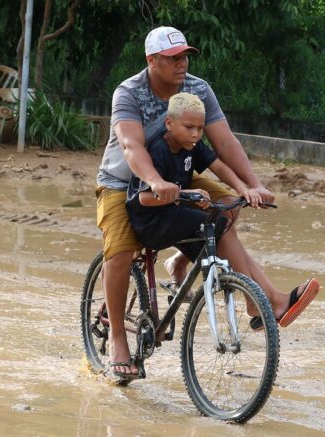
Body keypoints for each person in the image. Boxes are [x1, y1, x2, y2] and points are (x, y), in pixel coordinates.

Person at [95, 26, 319, 379]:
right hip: (127, 181)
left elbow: (224, 144)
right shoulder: (129, 93)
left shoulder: (198, 89)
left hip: (179, 175)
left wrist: (253, 186)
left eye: (184, 56)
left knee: (226, 207)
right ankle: (120, 343)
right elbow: (131, 147)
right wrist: (155, 182)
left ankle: (253, 299)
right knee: (121, 251)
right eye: (172, 58)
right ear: (151, 60)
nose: (181, 64)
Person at [125, 93, 319, 344]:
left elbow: (218, 165)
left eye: (199, 129)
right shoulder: (158, 149)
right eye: (189, 127)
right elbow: (144, 199)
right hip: (152, 222)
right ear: (169, 124)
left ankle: (258, 296)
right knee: (218, 225)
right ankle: (258, 298)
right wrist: (185, 193)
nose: (196, 134)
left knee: (225, 211)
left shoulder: (191, 146)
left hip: (174, 215)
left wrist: (244, 189)